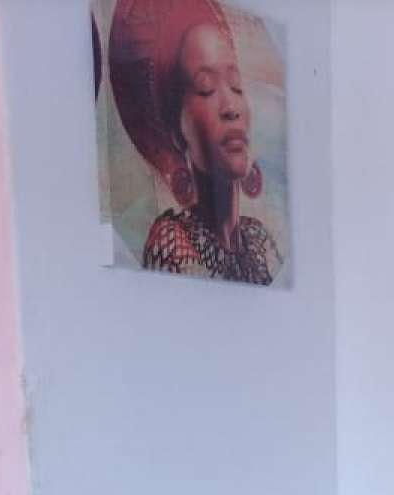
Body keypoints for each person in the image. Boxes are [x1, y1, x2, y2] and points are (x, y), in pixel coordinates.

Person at [109, 0, 282, 285]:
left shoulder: (260, 241)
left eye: (236, 86)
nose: (231, 108)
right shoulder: (173, 242)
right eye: (206, 88)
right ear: (177, 131)